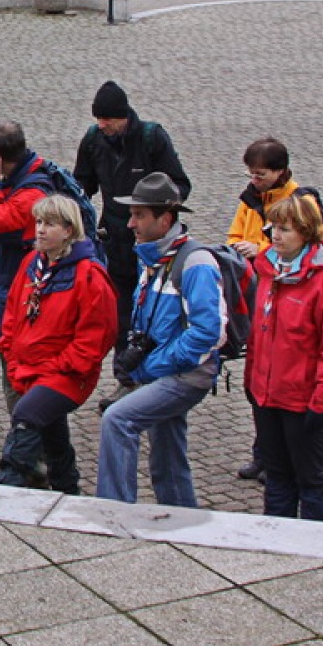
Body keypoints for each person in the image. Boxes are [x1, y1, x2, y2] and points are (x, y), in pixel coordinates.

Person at [96, 172, 223, 508]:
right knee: (167, 449)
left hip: (185, 374)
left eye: (139, 215)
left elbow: (206, 333)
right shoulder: (151, 258)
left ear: (165, 219)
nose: (130, 224)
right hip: (168, 370)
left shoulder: (195, 264)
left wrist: (152, 364)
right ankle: (181, 514)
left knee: (118, 420)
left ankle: (114, 512)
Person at [72, 81, 191, 411]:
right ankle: (126, 380)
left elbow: (180, 185)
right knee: (120, 316)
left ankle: (155, 376)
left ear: (123, 117)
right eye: (98, 119)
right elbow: (82, 184)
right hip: (116, 245)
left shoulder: (152, 138)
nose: (102, 125)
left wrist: (154, 212)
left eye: (107, 120)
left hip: (154, 249)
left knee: (153, 315)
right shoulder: (94, 140)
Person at [0, 195, 118, 491]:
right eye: (38, 222)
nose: (40, 230)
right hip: (28, 368)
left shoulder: (90, 275)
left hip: (66, 374)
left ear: (69, 230)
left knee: (27, 415)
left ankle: (9, 478)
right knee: (52, 433)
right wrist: (9, 349)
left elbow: (96, 335)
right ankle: (66, 489)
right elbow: (13, 311)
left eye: (49, 224)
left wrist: (59, 366)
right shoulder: (31, 263)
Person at [247, 195, 323, 521]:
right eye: (272, 228)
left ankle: (314, 543)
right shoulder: (267, 271)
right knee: (277, 478)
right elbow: (257, 334)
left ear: (306, 232)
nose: (275, 236)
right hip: (267, 397)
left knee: (311, 479)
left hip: (304, 402)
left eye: (284, 229)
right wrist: (252, 384)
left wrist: (321, 404)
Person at [226, 137, 303, 482]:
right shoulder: (250, 198)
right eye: (251, 174)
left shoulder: (299, 202)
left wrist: (256, 248)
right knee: (256, 380)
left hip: (281, 292)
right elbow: (233, 234)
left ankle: (277, 458)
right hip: (254, 289)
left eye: (260, 175)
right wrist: (240, 248)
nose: (253, 180)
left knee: (277, 382)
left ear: (280, 171)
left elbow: (293, 243)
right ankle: (263, 453)